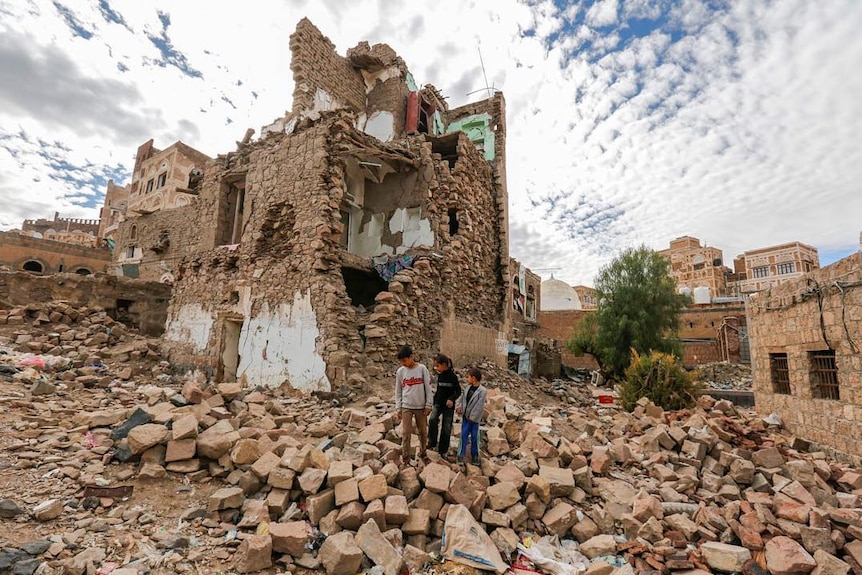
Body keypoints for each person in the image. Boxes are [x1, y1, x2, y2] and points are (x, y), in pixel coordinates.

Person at [394, 345, 432, 462]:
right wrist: (398, 407)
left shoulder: (422, 369)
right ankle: (406, 458)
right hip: (406, 406)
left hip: (421, 406)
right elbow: (398, 390)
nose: (403, 363)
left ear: (411, 357)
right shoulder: (401, 372)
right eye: (401, 361)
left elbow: (428, 387)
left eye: (404, 360)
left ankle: (423, 453)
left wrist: (428, 404)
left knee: (422, 431)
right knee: (406, 432)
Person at [427, 354, 461, 458]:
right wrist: (433, 402)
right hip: (438, 404)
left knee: (446, 428)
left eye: (438, 365)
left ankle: (443, 450)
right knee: (432, 420)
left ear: (444, 364)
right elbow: (439, 390)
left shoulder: (453, 377)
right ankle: (432, 442)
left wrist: (451, 399)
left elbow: (458, 391)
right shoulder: (440, 375)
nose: (436, 368)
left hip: (448, 407)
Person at [456, 367, 487, 465]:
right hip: (466, 417)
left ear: (473, 378)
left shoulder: (482, 391)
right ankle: (460, 455)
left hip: (474, 420)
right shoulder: (467, 388)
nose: (467, 379)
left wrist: (473, 417)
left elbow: (479, 406)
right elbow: (462, 399)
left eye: (468, 377)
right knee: (463, 436)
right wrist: (459, 407)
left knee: (475, 437)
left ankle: (475, 456)